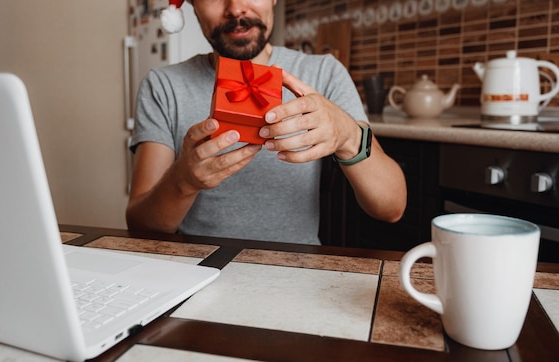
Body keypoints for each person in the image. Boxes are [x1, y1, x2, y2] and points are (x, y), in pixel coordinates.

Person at [126, 0, 406, 245]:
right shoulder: (164, 86)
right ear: (191, 5)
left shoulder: (323, 73)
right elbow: (140, 227)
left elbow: (392, 207)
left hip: (299, 272)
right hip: (199, 273)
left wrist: (348, 136)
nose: (235, 8)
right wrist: (182, 182)